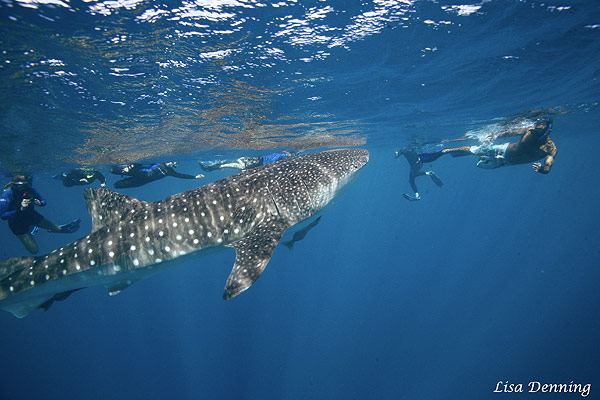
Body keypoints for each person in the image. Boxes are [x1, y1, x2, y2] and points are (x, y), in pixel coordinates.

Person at [419, 118, 557, 174]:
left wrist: (541, 170)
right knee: (475, 151)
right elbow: (508, 132)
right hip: (501, 150)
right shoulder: (529, 133)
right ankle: (445, 151)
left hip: (507, 162)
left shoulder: (550, 148)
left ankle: (481, 156)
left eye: (543, 126)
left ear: (549, 130)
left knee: (482, 165)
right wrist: (494, 135)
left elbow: (547, 167)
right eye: (539, 124)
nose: (539, 127)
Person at [0, 174, 81, 254]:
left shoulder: (30, 189)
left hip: (31, 216)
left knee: (59, 229)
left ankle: (34, 227)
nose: (21, 188)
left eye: (24, 185)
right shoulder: (6, 195)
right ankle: (31, 230)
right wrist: (20, 209)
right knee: (34, 250)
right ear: (13, 184)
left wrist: (39, 203)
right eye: (18, 185)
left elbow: (43, 201)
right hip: (17, 224)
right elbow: (3, 216)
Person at [110, 161, 204, 189]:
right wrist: (131, 166)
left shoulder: (169, 171)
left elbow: (181, 175)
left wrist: (194, 177)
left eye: (175, 164)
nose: (173, 164)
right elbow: (143, 163)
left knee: (116, 185)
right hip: (138, 171)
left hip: (142, 180)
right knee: (112, 170)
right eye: (173, 162)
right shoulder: (159, 163)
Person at [198, 151, 297, 172]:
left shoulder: (281, 156)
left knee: (243, 169)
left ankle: (218, 165)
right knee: (242, 167)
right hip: (259, 161)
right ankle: (219, 165)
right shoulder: (282, 156)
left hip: (259, 163)